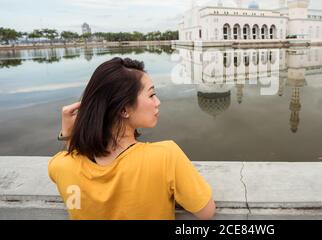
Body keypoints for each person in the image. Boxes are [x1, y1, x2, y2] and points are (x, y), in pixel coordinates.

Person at [48, 57, 215, 220]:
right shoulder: (166, 157)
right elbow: (206, 212)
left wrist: (69, 133)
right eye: (151, 95)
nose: (158, 102)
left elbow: (74, 160)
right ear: (124, 110)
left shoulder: (61, 167)